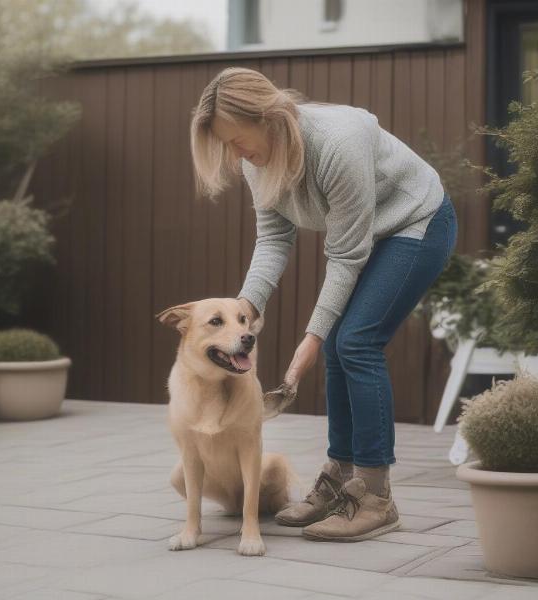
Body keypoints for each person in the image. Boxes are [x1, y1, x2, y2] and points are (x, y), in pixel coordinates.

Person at [189, 66, 458, 542]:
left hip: (417, 221)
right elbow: (273, 238)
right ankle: (340, 479)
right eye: (225, 145)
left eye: (236, 139)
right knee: (341, 343)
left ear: (267, 117)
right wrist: (245, 307)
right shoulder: (256, 161)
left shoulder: (338, 142)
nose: (236, 154)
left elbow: (345, 256)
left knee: (353, 342)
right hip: (369, 236)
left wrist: (309, 342)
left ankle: (375, 496)